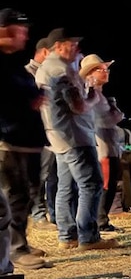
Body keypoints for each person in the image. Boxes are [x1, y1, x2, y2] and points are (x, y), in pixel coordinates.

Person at [36, 27, 118, 251]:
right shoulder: (61, 70)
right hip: (75, 136)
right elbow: (79, 106)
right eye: (72, 45)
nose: (77, 49)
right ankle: (88, 237)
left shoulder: (45, 69)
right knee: (91, 184)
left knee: (65, 187)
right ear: (59, 46)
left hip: (57, 137)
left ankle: (67, 235)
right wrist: (91, 95)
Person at [0, 9, 52, 271]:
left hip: (27, 140)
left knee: (28, 195)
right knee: (15, 197)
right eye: (22, 30)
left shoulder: (11, 62)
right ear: (6, 30)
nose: (26, 35)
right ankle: (16, 249)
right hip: (11, 141)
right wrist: (28, 102)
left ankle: (21, 243)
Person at [79, 54, 124, 232]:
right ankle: (99, 221)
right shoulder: (87, 93)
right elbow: (93, 118)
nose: (105, 72)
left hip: (110, 143)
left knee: (112, 181)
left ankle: (103, 219)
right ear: (90, 73)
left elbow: (116, 117)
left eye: (106, 69)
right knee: (104, 183)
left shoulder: (102, 95)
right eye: (101, 69)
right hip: (99, 143)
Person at [25, 37, 58, 229]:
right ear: (45, 52)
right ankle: (38, 215)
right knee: (41, 176)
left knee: (54, 176)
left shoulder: (49, 74)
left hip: (54, 132)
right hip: (38, 133)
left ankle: (53, 213)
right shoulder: (28, 73)